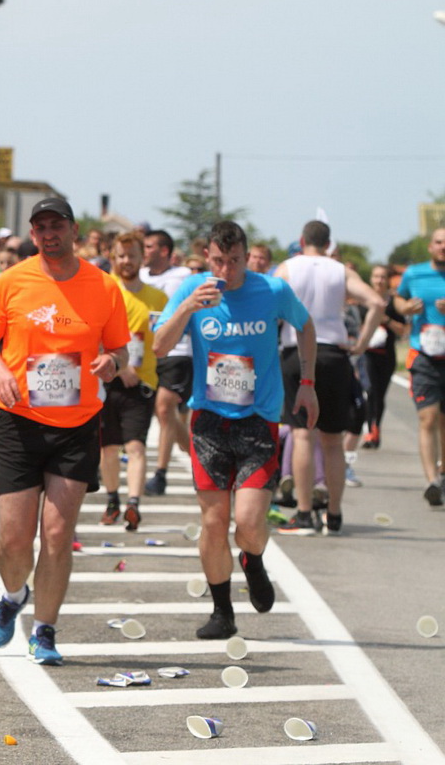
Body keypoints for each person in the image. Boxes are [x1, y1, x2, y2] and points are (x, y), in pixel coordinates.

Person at [0, 197, 130, 665]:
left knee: (59, 534)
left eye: (56, 225)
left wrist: (111, 363)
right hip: (20, 421)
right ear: (33, 232)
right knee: (13, 539)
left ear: (73, 230)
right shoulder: (11, 281)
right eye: (40, 226)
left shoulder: (104, 286)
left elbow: (123, 351)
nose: (49, 233)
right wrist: (0, 371)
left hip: (77, 424)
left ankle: (44, 630)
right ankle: (13, 595)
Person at [154, 220, 318, 639]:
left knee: (247, 521)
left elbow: (306, 326)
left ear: (248, 257)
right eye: (218, 261)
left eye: (235, 262)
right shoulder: (192, 289)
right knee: (214, 522)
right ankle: (222, 612)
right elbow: (158, 345)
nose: (226, 271)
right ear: (207, 257)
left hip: (258, 421)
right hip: (208, 421)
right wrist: (190, 306)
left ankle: (253, 559)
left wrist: (307, 385)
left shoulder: (272, 290)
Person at [274, 220, 383, 536]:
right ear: (328, 244)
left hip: (296, 351)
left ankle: (304, 511)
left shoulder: (288, 268)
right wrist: (361, 343)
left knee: (302, 434)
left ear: (301, 240)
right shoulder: (340, 270)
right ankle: (334, 513)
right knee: (333, 440)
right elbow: (376, 302)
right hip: (334, 353)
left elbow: (269, 304)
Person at [99, 231, 169, 531]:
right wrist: (118, 366)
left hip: (142, 384)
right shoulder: (103, 290)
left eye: (133, 256)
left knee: (136, 446)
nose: (127, 261)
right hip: (106, 381)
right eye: (121, 255)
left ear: (143, 258)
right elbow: (92, 336)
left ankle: (134, 504)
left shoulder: (158, 297)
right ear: (113, 258)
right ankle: (113, 500)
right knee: (109, 449)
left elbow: (165, 337)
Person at [393, 227, 445, 506]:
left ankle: (443, 472)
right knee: (428, 418)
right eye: (439, 242)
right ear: (430, 247)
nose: (443, 247)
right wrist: (404, 308)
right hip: (422, 354)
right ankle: (431, 482)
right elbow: (398, 298)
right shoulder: (415, 273)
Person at [140, 229, 193, 498]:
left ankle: (160, 474)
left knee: (164, 406)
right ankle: (196, 453)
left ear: (163, 251)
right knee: (162, 414)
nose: (144, 250)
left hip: (178, 350)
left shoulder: (183, 276)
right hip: (147, 354)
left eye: (149, 246)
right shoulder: (139, 278)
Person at [362, 264, 405, 449]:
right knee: (370, 391)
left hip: (386, 356)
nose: (379, 280)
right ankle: (369, 430)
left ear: (388, 280)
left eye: (382, 277)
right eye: (376, 276)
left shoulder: (395, 302)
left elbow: (403, 330)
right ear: (371, 279)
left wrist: (385, 319)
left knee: (379, 395)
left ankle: (376, 428)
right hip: (367, 354)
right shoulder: (364, 299)